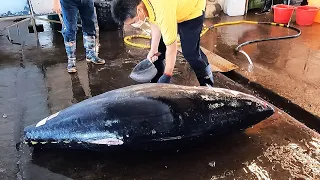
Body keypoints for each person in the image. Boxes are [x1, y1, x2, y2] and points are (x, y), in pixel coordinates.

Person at [111, 0, 214, 86]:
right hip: (172, 7)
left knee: (190, 52)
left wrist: (167, 75)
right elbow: (154, 20)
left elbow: (171, 48)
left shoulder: (163, 11)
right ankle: (157, 80)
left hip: (190, 10)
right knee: (158, 50)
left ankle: (206, 81)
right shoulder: (145, 5)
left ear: (139, 10)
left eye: (133, 22)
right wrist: (153, 49)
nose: (134, 25)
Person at [53, 0, 105, 73]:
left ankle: (91, 54)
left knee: (90, 25)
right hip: (68, 2)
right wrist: (55, 2)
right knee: (70, 29)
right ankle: (71, 61)